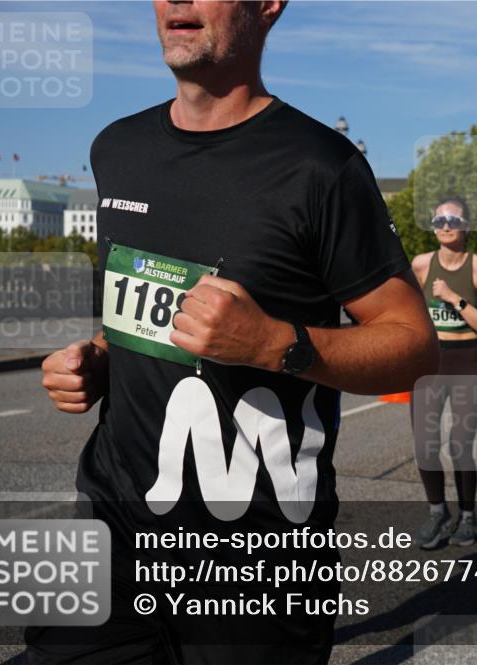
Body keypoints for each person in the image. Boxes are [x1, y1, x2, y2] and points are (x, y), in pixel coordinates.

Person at [37, 3, 439, 663]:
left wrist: (271, 343)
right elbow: (136, 320)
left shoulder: (321, 166)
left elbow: (413, 347)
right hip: (116, 531)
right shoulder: (117, 149)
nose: (178, 1)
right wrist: (102, 358)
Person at [410, 197, 477, 550]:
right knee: (424, 445)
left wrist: (452, 298)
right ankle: (437, 512)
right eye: (439, 219)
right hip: (430, 362)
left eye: (453, 219)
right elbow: (408, 312)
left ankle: (467, 515)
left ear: (466, 226)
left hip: (466, 360)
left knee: (460, 444)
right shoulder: (419, 265)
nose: (445, 225)